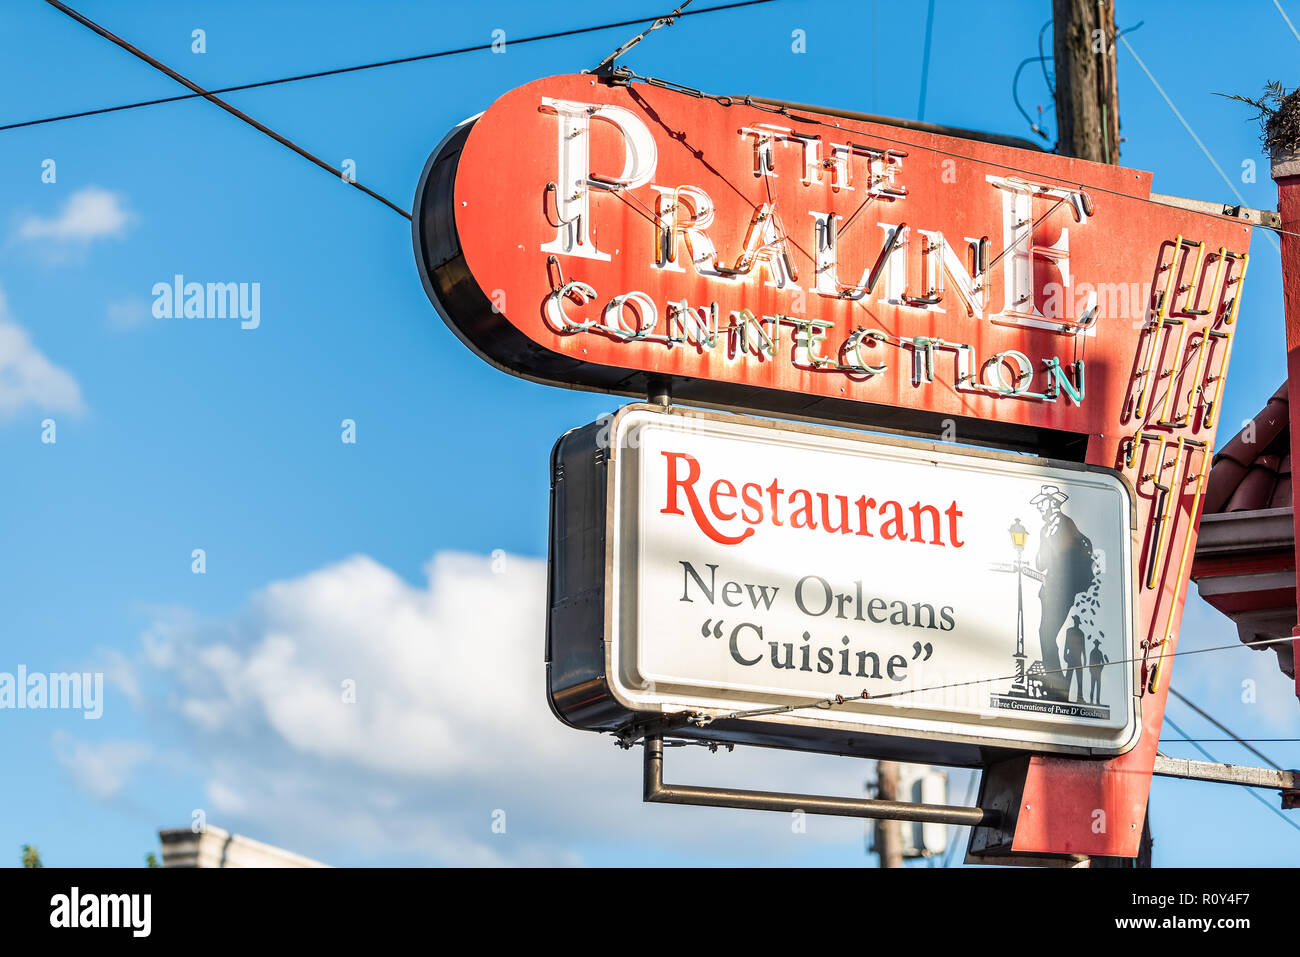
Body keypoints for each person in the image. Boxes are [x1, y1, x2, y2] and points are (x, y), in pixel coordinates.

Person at [1032, 486, 1096, 701]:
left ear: (1052, 503)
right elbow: (1041, 563)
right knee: (1045, 633)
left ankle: (1057, 685)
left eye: (1042, 503)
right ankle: (1056, 683)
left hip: (1063, 589)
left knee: (1047, 633)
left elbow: (1071, 557)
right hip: (1049, 589)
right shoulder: (1045, 529)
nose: (1040, 507)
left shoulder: (1068, 525)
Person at [1063, 615, 1086, 703]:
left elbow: (1083, 647)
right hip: (1071, 657)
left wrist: (1085, 659)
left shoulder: (1081, 633)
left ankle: (1080, 698)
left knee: (1080, 679)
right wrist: (1065, 655)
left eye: (1077, 620)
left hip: (1078, 658)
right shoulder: (1069, 631)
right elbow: (1066, 643)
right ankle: (1065, 696)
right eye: (1075, 620)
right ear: (1074, 621)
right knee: (1068, 678)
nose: (1076, 622)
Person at [1088, 638, 1109, 704]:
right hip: (1094, 671)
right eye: (1096, 644)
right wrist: (1091, 671)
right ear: (1095, 644)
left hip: (1098, 672)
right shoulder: (1092, 652)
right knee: (1093, 686)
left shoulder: (1100, 653)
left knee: (1098, 687)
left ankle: (1097, 701)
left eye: (1098, 644)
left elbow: (1103, 662)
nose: (1097, 645)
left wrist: (1100, 669)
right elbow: (1090, 663)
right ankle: (1091, 700)